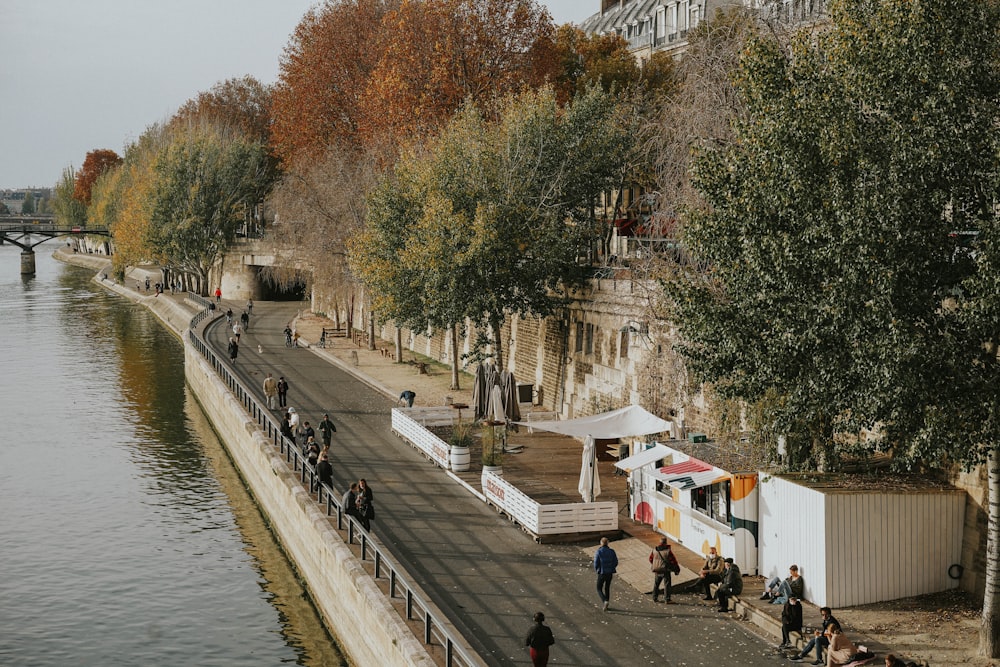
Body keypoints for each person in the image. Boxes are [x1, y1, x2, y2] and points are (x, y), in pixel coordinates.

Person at [649, 536, 680, 604]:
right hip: (665, 570)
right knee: (667, 585)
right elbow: (673, 561)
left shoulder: (655, 550)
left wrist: (656, 564)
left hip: (657, 569)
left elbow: (650, 559)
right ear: (666, 543)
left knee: (656, 584)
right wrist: (677, 569)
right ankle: (667, 599)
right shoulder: (668, 551)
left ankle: (654, 597)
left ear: (659, 542)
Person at [593, 537, 618, 611]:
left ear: (601, 543)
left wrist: (597, 570)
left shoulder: (599, 552)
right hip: (610, 572)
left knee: (599, 588)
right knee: (607, 587)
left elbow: (596, 563)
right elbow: (616, 562)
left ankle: (605, 601)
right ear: (608, 543)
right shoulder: (612, 551)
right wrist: (612, 567)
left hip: (602, 572)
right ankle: (607, 600)